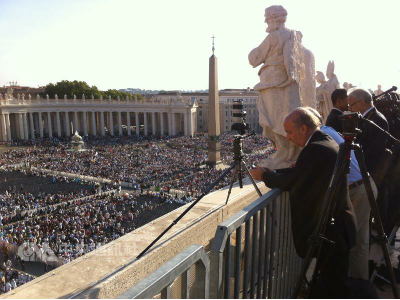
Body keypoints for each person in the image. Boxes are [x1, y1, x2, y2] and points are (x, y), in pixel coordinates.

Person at [250, 107, 357, 299]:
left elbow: (295, 181)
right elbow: (304, 172)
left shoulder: (315, 148)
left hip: (333, 229)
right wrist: (277, 172)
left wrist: (265, 175)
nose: (288, 138)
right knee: (333, 281)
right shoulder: (324, 141)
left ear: (303, 128)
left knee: (335, 286)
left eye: (289, 132)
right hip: (337, 225)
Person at [308, 107, 378, 281]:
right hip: (363, 186)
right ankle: (356, 284)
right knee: (358, 240)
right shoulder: (329, 130)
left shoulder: (322, 138)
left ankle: (356, 286)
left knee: (356, 242)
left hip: (358, 190)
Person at [348, 88, 390, 234]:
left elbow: (372, 151)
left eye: (351, 105)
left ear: (362, 102)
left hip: (369, 173)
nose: (350, 108)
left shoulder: (377, 119)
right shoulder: (368, 117)